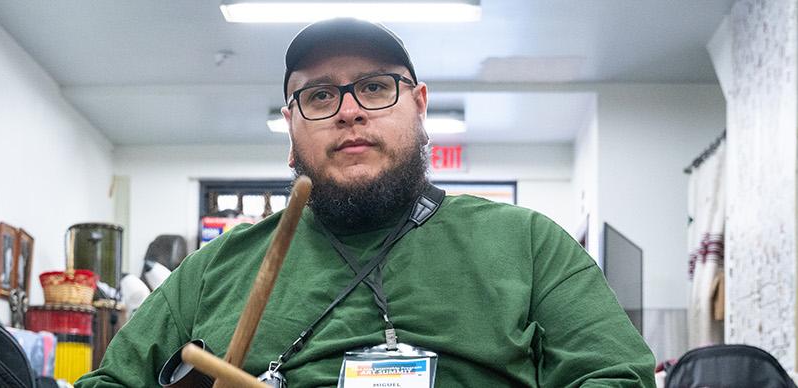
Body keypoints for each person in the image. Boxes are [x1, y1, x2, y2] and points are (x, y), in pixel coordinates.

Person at [77, 18, 654, 387]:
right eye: (320, 95)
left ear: (420, 105)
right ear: (291, 126)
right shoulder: (215, 269)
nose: (350, 110)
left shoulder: (529, 244)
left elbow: (618, 379)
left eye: (375, 87)